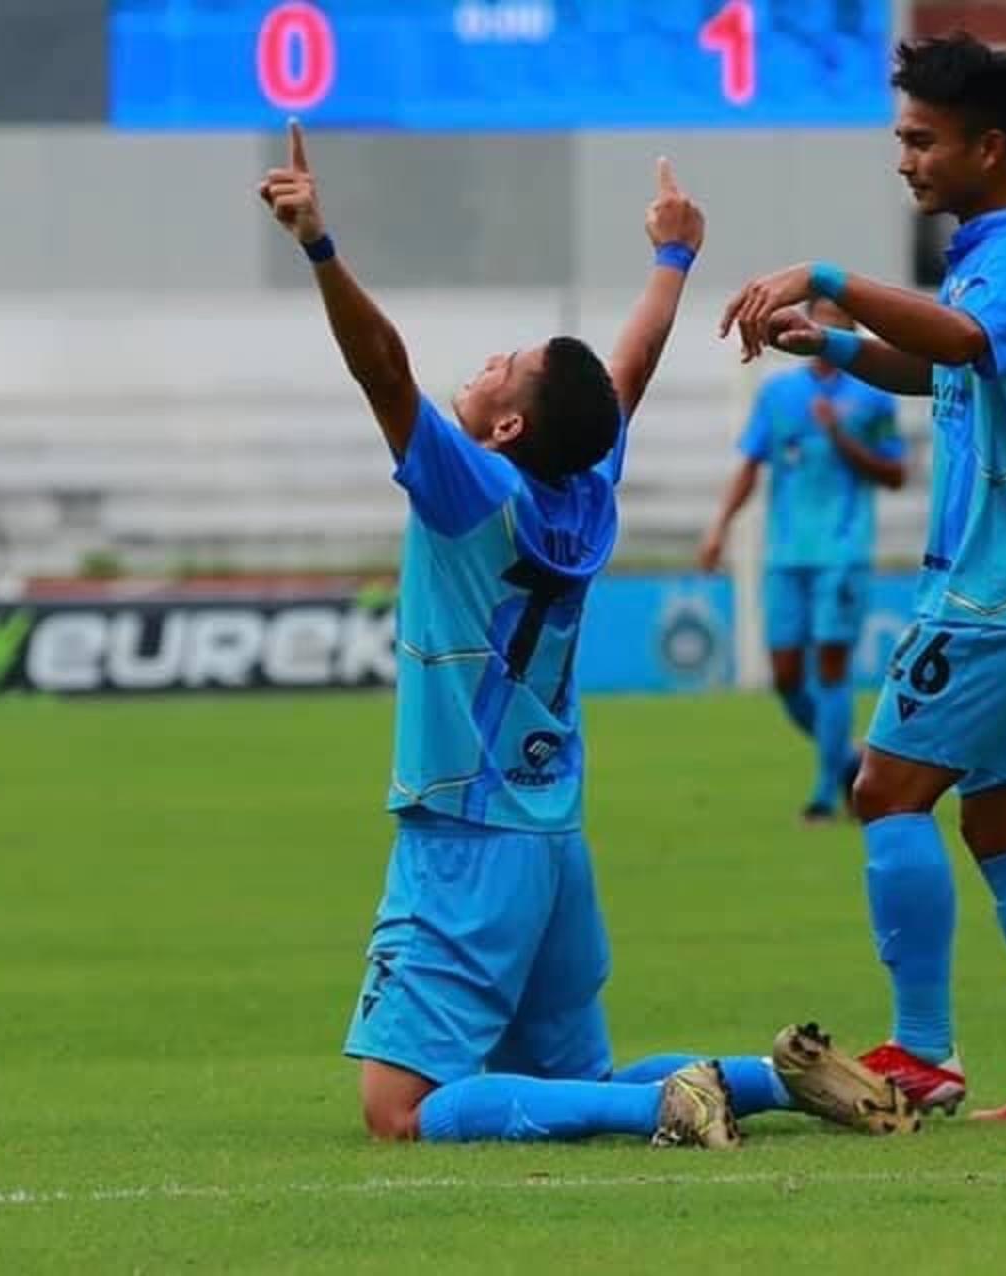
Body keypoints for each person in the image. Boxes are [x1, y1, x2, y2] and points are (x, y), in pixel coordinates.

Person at [258, 122, 915, 1146]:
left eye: (499, 370)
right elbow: (629, 374)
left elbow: (384, 372)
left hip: (468, 836)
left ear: (510, 428)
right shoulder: (585, 490)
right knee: (569, 1076)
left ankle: (667, 1104)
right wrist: (672, 259)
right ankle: (774, 1076)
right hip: (553, 836)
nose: (479, 369)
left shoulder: (473, 489)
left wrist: (319, 247)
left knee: (401, 1110)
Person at [716, 32, 1006, 1121]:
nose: (904, 160)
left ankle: (922, 1051)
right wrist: (839, 342)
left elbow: (960, 339)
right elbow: (949, 362)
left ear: (988, 147)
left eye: (921, 141)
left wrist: (825, 276)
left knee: (884, 791)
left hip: (996, 590)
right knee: (1001, 826)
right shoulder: (1003, 249)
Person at [698, 297, 904, 822]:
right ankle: (850, 763)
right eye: (820, 319)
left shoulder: (874, 397)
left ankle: (822, 793)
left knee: (832, 666)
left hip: (844, 550)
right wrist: (720, 527)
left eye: (838, 321)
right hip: (786, 553)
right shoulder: (778, 394)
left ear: (850, 329)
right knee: (786, 676)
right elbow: (751, 464)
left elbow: (895, 474)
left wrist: (839, 434)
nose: (827, 328)